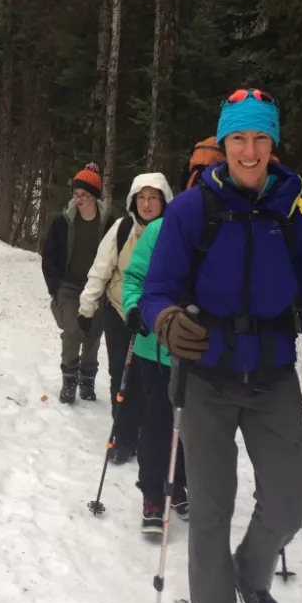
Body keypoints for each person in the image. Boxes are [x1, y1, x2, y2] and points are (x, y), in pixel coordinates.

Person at [139, 90, 302, 603]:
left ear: (272, 143)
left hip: (274, 371)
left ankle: (251, 579)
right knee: (210, 502)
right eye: (238, 139)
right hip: (206, 374)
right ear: (224, 143)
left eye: (259, 139)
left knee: (289, 499)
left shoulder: (300, 205)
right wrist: (166, 320)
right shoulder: (189, 208)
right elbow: (155, 290)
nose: (249, 150)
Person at [76, 173, 173, 463]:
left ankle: (150, 435)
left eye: (153, 198)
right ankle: (123, 436)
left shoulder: (174, 230)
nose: (146, 204)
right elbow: (101, 268)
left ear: (163, 200)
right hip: (119, 313)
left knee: (153, 379)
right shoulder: (122, 228)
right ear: (133, 200)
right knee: (122, 376)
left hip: (158, 318)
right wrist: (86, 306)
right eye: (141, 198)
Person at [121, 211, 188, 536]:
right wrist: (134, 307)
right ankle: (153, 497)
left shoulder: (232, 229)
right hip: (156, 345)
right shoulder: (160, 229)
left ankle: (180, 485)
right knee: (158, 422)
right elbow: (133, 277)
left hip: (209, 350)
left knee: (197, 424)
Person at [41, 162, 114, 404]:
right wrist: (55, 288)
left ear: (94, 197)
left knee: (93, 333)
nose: (78, 200)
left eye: (83, 195)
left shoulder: (109, 224)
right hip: (69, 286)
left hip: (98, 288)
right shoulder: (62, 222)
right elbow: (49, 256)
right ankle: (69, 378)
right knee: (73, 331)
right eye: (76, 194)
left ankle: (87, 377)